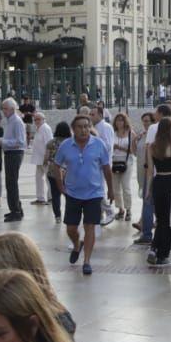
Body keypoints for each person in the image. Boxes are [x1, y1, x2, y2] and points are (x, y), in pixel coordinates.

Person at [53, 114, 114, 276]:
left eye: (86, 126)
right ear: (73, 129)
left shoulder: (99, 144)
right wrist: (60, 185)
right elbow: (56, 165)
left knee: (90, 226)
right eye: (80, 127)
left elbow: (107, 168)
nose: (84, 130)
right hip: (72, 193)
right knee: (71, 228)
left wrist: (111, 189)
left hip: (94, 193)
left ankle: (87, 261)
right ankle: (76, 244)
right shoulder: (66, 145)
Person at [145, 118, 171, 267]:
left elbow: (150, 171)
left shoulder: (152, 147)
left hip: (158, 182)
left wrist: (148, 190)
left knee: (161, 219)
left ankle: (154, 248)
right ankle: (162, 255)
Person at [1, 97, 28, 221]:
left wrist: (3, 142)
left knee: (11, 183)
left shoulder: (16, 121)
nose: (3, 111)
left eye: (5, 108)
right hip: (10, 153)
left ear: (12, 109)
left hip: (15, 153)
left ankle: (15, 211)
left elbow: (20, 141)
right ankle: (16, 208)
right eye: (3, 108)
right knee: (10, 183)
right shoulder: (9, 121)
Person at [108, 112, 134, 221]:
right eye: (118, 120)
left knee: (126, 186)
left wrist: (119, 147)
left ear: (125, 121)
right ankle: (120, 209)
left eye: (121, 120)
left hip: (126, 160)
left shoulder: (130, 133)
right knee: (115, 187)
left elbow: (133, 150)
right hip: (114, 161)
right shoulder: (112, 133)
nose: (119, 122)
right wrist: (112, 148)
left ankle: (128, 209)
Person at [42, 119, 68, 223]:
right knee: (69, 194)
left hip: (53, 171)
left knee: (55, 194)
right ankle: (69, 214)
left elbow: (46, 157)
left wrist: (45, 163)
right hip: (68, 171)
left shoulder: (51, 143)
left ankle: (57, 216)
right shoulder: (70, 142)